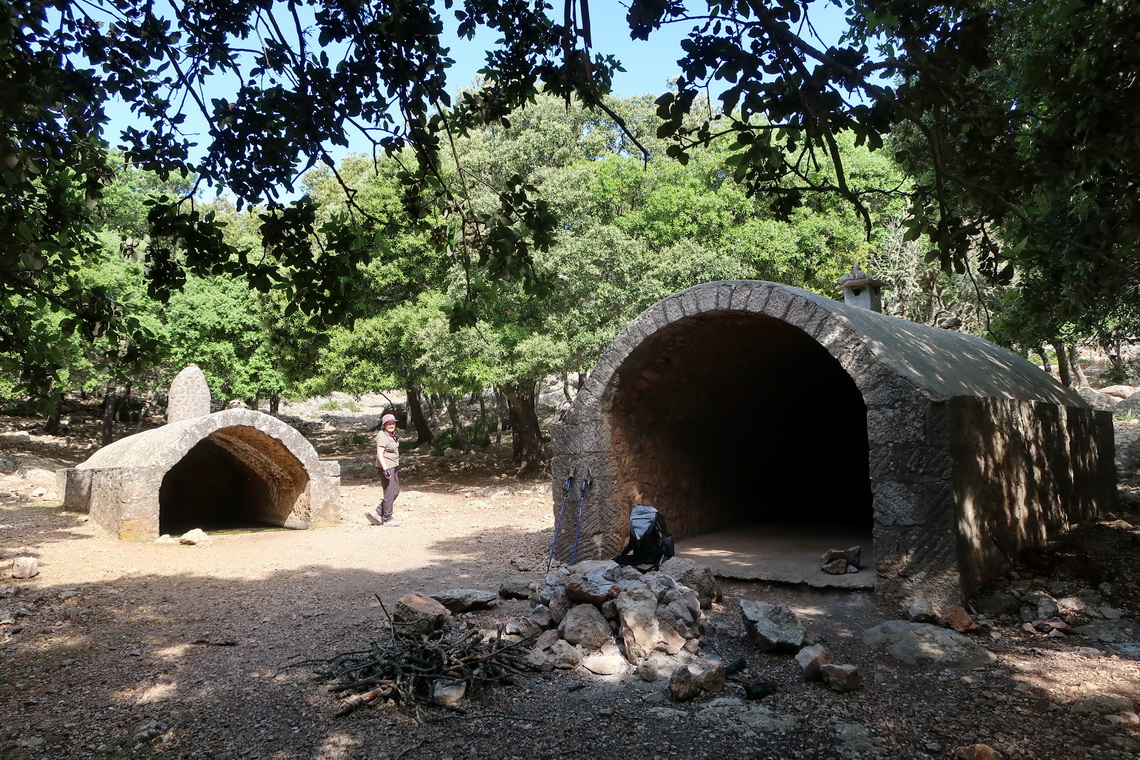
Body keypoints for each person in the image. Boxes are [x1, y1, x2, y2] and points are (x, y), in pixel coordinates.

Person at [366, 413, 402, 526]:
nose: (391, 425)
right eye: (389, 423)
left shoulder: (391, 434)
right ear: (384, 425)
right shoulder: (382, 435)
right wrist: (385, 469)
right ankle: (387, 518)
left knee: (395, 491)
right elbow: (379, 454)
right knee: (389, 492)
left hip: (393, 465)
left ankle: (377, 512)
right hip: (386, 467)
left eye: (393, 423)